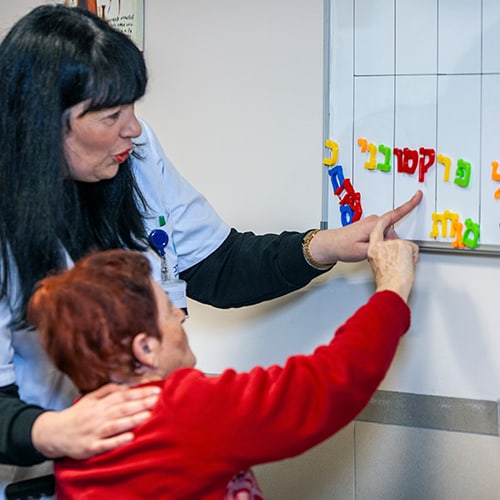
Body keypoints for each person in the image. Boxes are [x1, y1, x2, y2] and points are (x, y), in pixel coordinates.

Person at [0, 2, 422, 490]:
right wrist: (53, 430)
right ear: (42, 124)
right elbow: (322, 388)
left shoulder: (131, 151)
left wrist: (323, 246)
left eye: (133, 107)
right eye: (112, 114)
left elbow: (215, 266)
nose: (133, 128)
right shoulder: (191, 415)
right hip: (33, 458)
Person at [27, 213, 419, 499]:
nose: (181, 314)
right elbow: (323, 385)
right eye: (168, 310)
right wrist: (392, 290)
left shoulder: (80, 429)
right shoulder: (182, 409)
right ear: (145, 349)